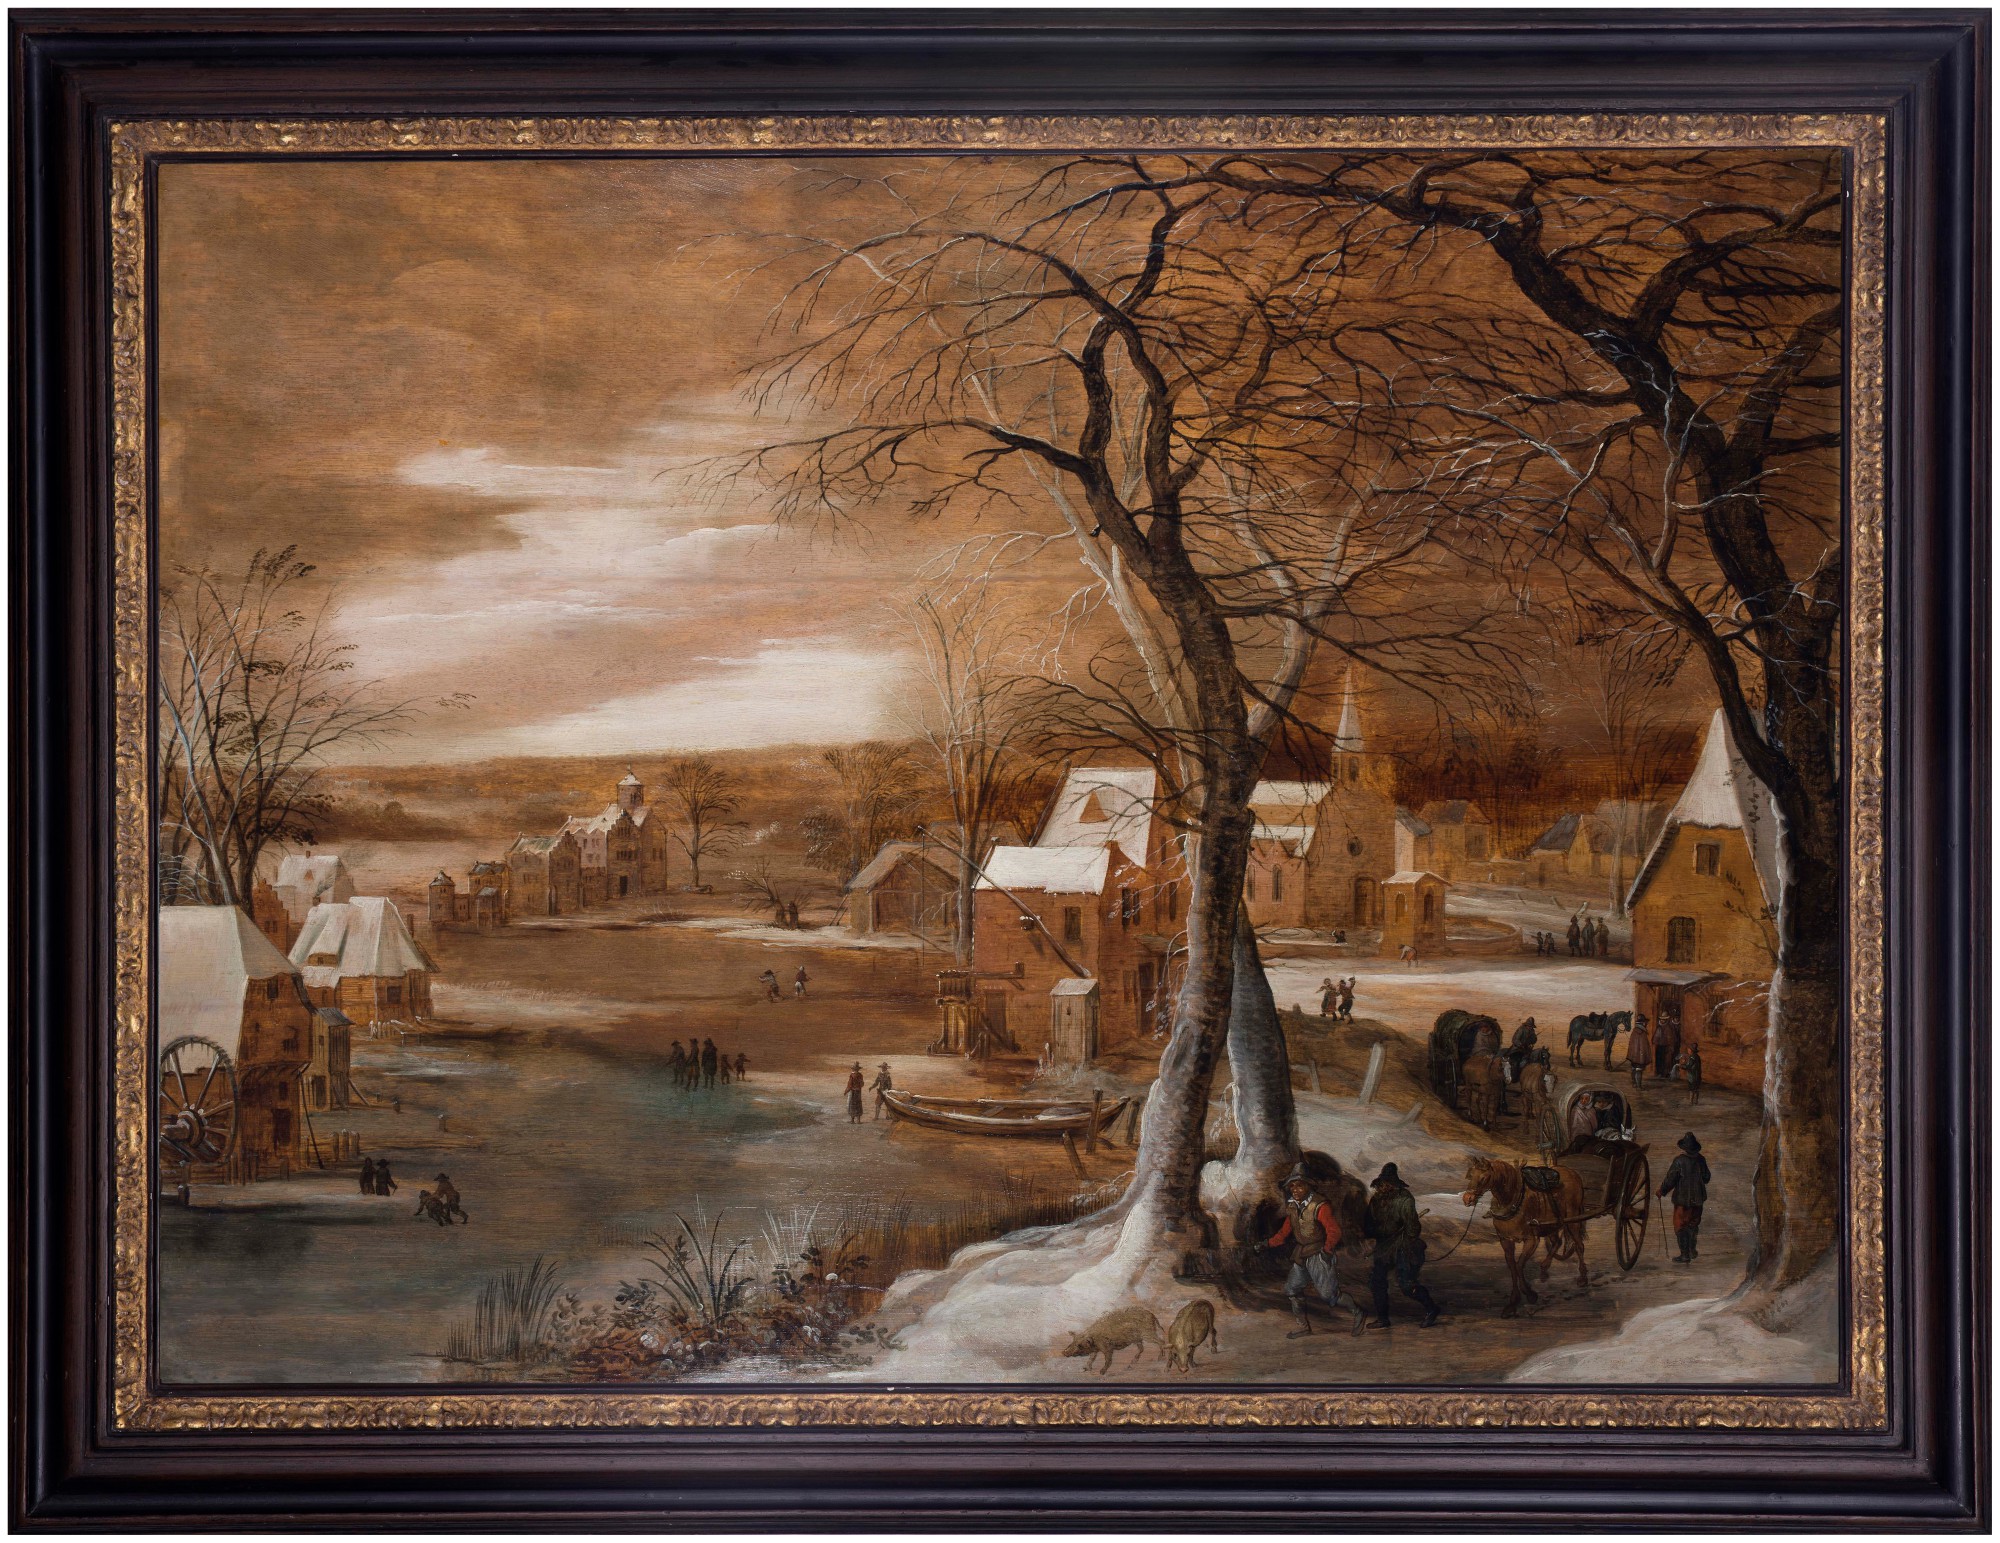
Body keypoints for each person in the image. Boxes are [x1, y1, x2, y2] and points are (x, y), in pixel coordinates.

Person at [1265, 1165, 1366, 1337]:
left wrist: (1327, 1250)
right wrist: (1267, 1244)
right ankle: (1304, 1327)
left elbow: (1334, 1231)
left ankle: (1358, 1312)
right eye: (1292, 1186)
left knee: (1329, 1295)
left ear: (1308, 1186)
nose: (1295, 1189)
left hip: (1319, 1254)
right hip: (1301, 1254)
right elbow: (1284, 1233)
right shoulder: (1292, 1206)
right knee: (1291, 1289)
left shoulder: (1319, 1205)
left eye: (1299, 1185)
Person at [1363, 1163, 1440, 1328]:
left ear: (1394, 1185)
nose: (1383, 1187)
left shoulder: (1405, 1199)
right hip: (1384, 1247)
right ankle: (1382, 1319)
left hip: (1403, 1246)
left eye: (1387, 1183)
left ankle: (1432, 1309)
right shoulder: (1376, 1200)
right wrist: (1378, 1232)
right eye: (1382, 1184)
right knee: (1377, 1282)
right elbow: (1368, 1225)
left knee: (1406, 1285)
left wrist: (1401, 1237)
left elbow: (1413, 1229)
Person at [1658, 1132, 1711, 1263]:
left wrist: (1662, 1191)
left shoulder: (1679, 1161)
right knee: (1693, 1224)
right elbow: (1706, 1178)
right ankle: (1692, 1251)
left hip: (1682, 1200)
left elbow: (1670, 1180)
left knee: (1680, 1225)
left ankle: (1685, 1255)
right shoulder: (1701, 1159)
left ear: (1684, 1148)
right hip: (1698, 1200)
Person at [1627, 1010, 1654, 1090]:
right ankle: (1638, 1086)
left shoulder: (1634, 1031)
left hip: (1633, 1056)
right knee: (1639, 1070)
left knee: (1634, 1069)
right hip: (1640, 1056)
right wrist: (1644, 1056)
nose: (1646, 1024)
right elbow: (1643, 1046)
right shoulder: (1642, 1033)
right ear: (1642, 1023)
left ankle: (1634, 1083)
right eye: (1645, 1022)